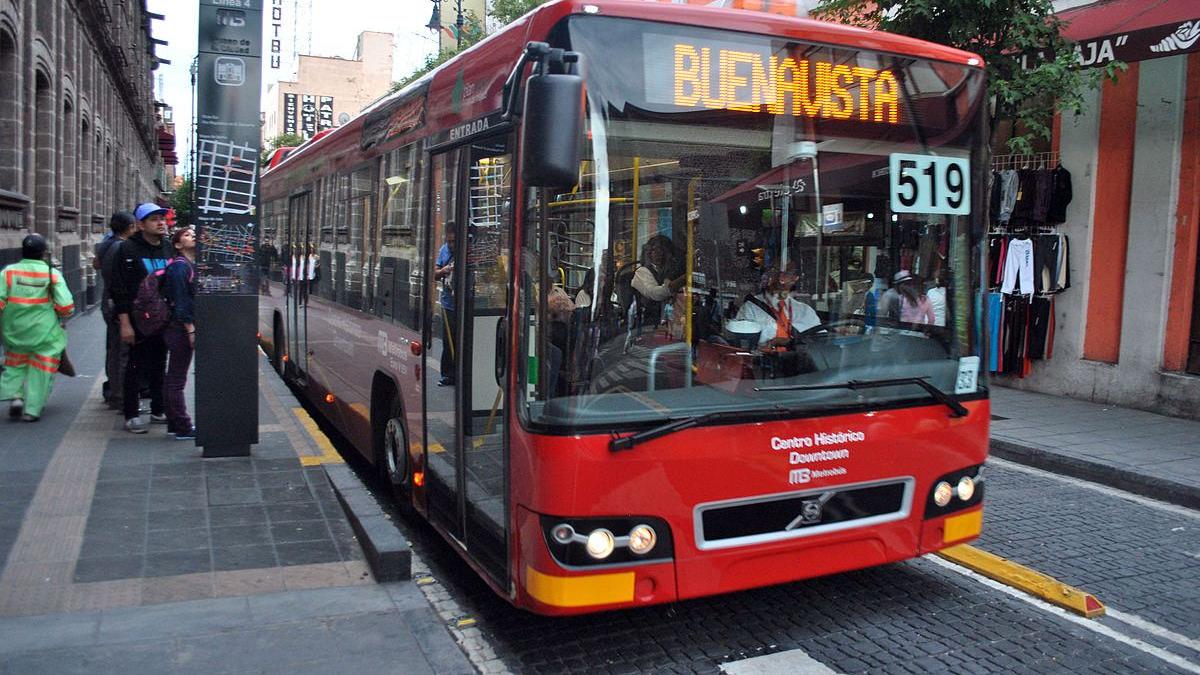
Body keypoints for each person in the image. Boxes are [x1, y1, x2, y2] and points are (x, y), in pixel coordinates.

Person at [0, 234, 74, 422]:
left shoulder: (8, 272)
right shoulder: (51, 274)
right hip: (44, 332)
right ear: (43, 253)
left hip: (14, 330)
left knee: (15, 364)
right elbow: (66, 306)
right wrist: (61, 313)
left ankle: (16, 396)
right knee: (42, 367)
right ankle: (32, 410)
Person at [112, 202, 171, 433]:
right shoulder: (127, 250)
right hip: (137, 319)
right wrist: (125, 323)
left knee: (159, 365)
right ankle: (132, 414)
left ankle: (158, 408)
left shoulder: (167, 248)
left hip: (162, 319)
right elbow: (119, 289)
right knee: (135, 366)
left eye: (162, 218)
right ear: (141, 224)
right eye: (154, 219)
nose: (160, 223)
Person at [97, 212, 136, 407]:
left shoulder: (106, 243)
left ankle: (113, 390)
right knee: (122, 350)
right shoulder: (121, 247)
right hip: (115, 302)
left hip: (108, 299)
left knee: (113, 347)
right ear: (130, 227)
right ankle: (120, 395)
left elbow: (97, 265)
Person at [162, 228, 197, 440]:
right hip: (179, 329)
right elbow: (181, 303)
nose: (192, 235)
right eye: (186, 234)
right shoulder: (179, 267)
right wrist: (190, 329)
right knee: (176, 378)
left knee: (174, 377)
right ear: (177, 245)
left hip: (180, 328)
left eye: (193, 233)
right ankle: (182, 426)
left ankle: (175, 424)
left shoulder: (189, 265)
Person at [734, 267, 820, 350]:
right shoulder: (750, 308)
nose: (780, 280)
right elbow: (744, 346)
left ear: (794, 279)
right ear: (766, 278)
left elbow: (820, 342)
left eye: (787, 274)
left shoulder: (805, 311)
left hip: (800, 362)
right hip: (765, 361)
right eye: (776, 273)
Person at [433, 225, 456, 386]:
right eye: (449, 241)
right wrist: (445, 270)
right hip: (448, 303)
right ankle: (447, 374)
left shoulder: (466, 250)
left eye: (453, 241)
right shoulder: (443, 251)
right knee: (448, 342)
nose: (451, 244)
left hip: (463, 303)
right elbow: (434, 273)